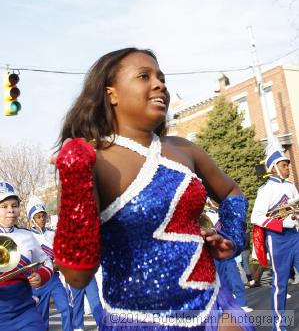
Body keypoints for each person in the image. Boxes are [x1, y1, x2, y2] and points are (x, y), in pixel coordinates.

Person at [53, 47, 254, 330]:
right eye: (144, 76)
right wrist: (75, 177)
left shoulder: (184, 149)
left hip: (214, 308)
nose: (159, 84)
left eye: (161, 77)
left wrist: (230, 237)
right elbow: (76, 275)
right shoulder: (90, 159)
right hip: (138, 321)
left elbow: (232, 192)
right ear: (111, 94)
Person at [251, 142, 299, 331]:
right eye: (283, 165)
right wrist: (280, 223)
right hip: (277, 239)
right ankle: (279, 326)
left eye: (287, 164)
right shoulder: (265, 190)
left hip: (295, 235)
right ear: (273, 168)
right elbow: (256, 217)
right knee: (280, 284)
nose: (287, 167)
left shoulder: (291, 186)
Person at [0, 181, 53, 331]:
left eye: (14, 205)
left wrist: (40, 276)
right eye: (4, 206)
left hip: (24, 311)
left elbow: (46, 263)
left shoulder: (27, 236)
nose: (11, 210)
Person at [27, 196, 72, 331]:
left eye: (43, 216)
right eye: (38, 216)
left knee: (67, 309)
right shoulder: (28, 237)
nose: (42, 219)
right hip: (39, 281)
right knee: (42, 319)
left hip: (54, 279)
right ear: (32, 219)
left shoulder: (53, 234)